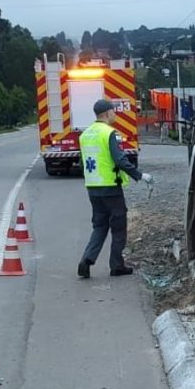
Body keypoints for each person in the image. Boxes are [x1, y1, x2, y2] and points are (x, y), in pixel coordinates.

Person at [77, 99, 153, 279]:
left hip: (93, 187)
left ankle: (87, 260)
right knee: (118, 226)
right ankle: (117, 265)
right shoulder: (109, 133)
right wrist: (140, 175)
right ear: (106, 113)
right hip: (111, 187)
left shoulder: (85, 134)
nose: (115, 115)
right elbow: (119, 159)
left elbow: (82, 163)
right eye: (113, 112)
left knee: (100, 225)